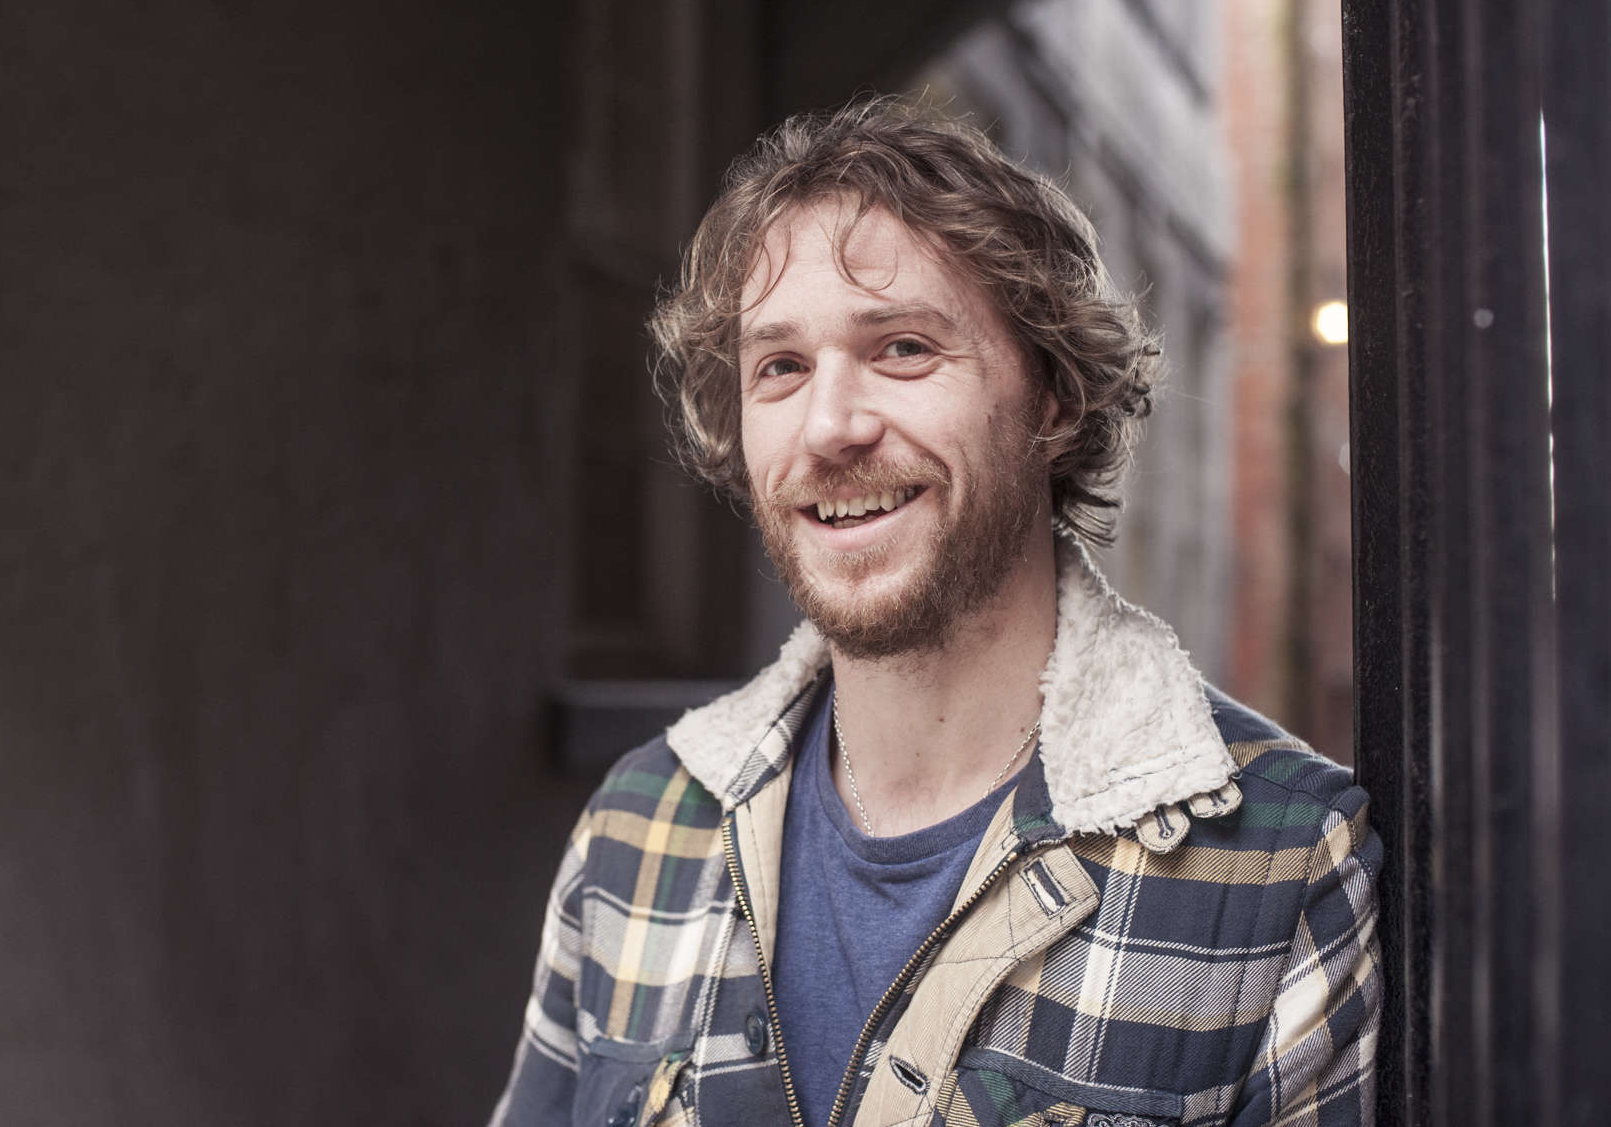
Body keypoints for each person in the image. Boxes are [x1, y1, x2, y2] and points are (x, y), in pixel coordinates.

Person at [491, 99, 1381, 1127]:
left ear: (1052, 397)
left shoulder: (1279, 870)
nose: (829, 426)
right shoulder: (639, 829)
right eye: (781, 367)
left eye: (904, 348)